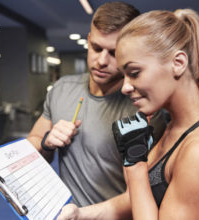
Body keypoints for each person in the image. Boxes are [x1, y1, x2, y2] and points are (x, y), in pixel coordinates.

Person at [57, 8, 199, 220]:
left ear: (178, 63)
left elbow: (141, 189)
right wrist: (79, 214)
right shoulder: (175, 129)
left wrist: (135, 168)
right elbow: (137, 200)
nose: (125, 87)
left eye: (134, 73)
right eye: (124, 76)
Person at [27, 2, 166, 207]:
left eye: (113, 53)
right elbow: (33, 143)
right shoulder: (62, 88)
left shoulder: (145, 109)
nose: (101, 61)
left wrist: (85, 215)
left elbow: (146, 196)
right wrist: (47, 143)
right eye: (96, 48)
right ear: (89, 40)